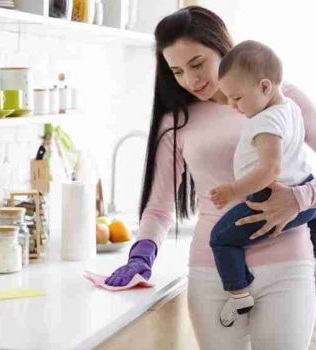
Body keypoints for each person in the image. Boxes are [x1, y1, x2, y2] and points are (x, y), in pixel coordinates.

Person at [105, 6, 316, 350]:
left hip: (287, 265)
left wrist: (301, 198)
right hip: (212, 273)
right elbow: (159, 208)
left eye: (197, 64)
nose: (191, 80)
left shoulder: (280, 96)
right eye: (177, 71)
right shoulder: (177, 121)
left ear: (221, 46)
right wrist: (141, 256)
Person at [206, 40, 316, 328]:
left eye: (237, 98)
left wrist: (233, 190)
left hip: (269, 199)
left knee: (221, 238)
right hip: (305, 188)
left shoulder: (265, 121)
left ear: (265, 87)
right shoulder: (290, 107)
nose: (232, 105)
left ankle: (239, 292)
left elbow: (271, 169)